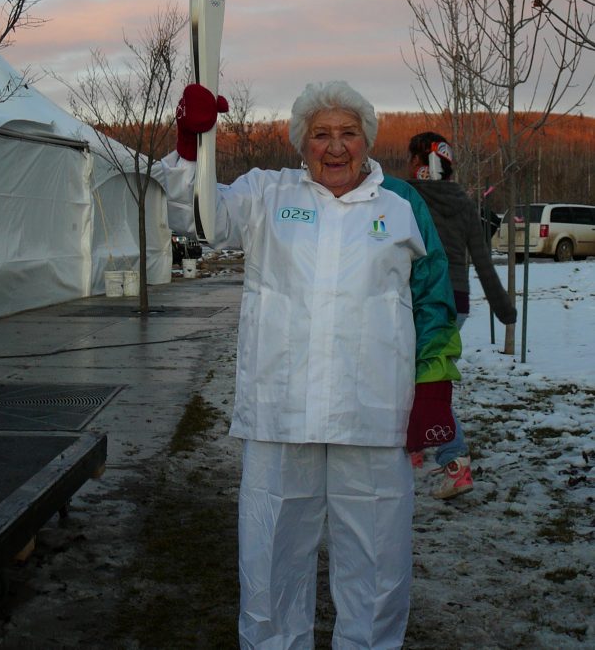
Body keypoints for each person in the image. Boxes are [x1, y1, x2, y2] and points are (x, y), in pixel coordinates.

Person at [154, 82, 462, 649]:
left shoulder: (400, 206)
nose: (336, 146)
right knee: (271, 564)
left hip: (372, 416)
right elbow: (193, 217)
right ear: (301, 143)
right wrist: (191, 147)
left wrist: (434, 386)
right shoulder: (266, 194)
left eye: (348, 133)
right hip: (281, 411)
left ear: (367, 140)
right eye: (321, 134)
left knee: (375, 567)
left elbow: (434, 297)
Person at [407, 131, 517, 500]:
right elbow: (482, 261)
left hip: (424, 302)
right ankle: (416, 446)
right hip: (458, 302)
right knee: (424, 377)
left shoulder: (407, 197)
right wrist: (503, 308)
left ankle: (454, 462)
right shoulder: (465, 203)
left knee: (418, 381)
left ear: (415, 164)